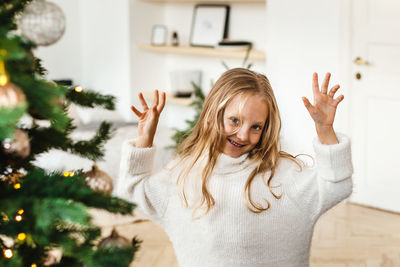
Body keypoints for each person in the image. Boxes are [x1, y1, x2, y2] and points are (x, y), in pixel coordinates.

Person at [116, 68, 353, 267]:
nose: (242, 135)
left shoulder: (284, 176)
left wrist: (325, 131)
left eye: (256, 127)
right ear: (212, 114)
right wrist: (144, 140)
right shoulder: (183, 175)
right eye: (235, 120)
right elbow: (132, 193)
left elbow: (335, 186)